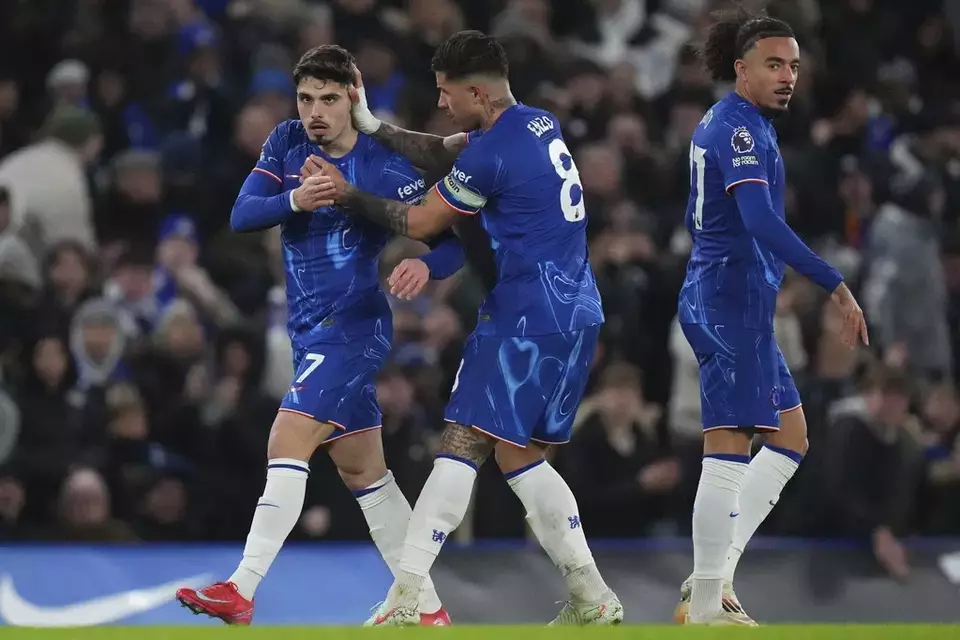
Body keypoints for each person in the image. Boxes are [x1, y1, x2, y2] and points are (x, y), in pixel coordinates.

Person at [306, 30, 623, 627]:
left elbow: (420, 219)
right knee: (520, 456)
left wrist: (347, 194)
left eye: (448, 94)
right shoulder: (535, 124)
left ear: (477, 91)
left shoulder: (490, 152)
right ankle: (593, 597)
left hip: (525, 316)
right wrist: (372, 125)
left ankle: (406, 595)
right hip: (577, 310)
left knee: (462, 442)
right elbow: (445, 151)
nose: (444, 104)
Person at [174, 45, 464, 627]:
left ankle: (241, 587)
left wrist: (426, 266)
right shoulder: (286, 142)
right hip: (308, 332)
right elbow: (241, 214)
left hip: (354, 327)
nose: (315, 111)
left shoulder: (385, 163)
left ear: (353, 98)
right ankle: (425, 607)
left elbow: (451, 241)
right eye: (306, 98)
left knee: (287, 438)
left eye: (329, 99)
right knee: (365, 474)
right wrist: (294, 198)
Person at [672, 13, 868, 626]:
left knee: (789, 438)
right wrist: (834, 284)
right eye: (774, 65)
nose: (788, 77)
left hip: (738, 300)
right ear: (742, 68)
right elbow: (757, 220)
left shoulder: (745, 122)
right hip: (727, 301)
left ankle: (714, 580)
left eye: (794, 66)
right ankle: (706, 601)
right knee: (727, 449)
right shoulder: (738, 131)